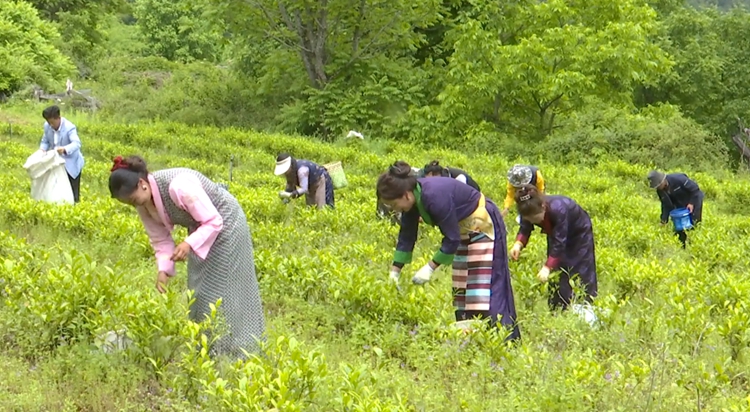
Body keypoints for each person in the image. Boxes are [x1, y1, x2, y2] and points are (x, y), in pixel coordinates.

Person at [108, 155, 266, 359]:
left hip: (226, 224)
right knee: (199, 291)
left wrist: (188, 244)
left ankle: (240, 349)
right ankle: (209, 349)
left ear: (142, 184)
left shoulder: (178, 186)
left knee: (225, 290)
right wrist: (164, 270)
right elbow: (160, 239)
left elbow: (213, 221)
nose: (134, 205)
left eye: (133, 200)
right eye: (129, 204)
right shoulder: (144, 204)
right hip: (200, 231)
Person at [377, 161, 520, 341]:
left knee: (485, 288)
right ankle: (471, 341)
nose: (395, 209)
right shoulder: (413, 200)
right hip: (462, 231)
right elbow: (407, 234)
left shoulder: (434, 196)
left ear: (405, 195)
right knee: (462, 289)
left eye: (394, 204)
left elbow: (451, 239)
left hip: (484, 225)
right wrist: (395, 272)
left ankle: (503, 340)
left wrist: (430, 267)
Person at [509, 185, 597, 311]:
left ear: (543, 207)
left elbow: (559, 243)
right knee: (557, 269)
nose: (533, 222)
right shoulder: (527, 208)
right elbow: (525, 227)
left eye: (535, 218)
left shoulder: (559, 209)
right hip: (556, 234)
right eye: (530, 219)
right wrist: (518, 244)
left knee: (580, 268)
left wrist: (547, 267)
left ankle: (583, 305)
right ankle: (558, 307)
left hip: (578, 234)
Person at [647, 170, 704, 248]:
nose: (658, 188)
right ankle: (683, 246)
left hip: (694, 199)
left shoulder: (678, 179)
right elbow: (665, 205)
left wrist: (691, 203)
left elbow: (695, 189)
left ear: (662, 181)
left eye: (658, 186)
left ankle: (695, 245)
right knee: (679, 226)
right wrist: (664, 220)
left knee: (694, 223)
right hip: (680, 204)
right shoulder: (660, 190)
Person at [38, 105, 84, 203]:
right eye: (48, 122)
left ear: (58, 118)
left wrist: (64, 149)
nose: (50, 125)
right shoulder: (47, 126)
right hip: (56, 163)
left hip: (71, 164)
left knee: (73, 192)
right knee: (58, 190)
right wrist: (42, 150)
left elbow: (76, 143)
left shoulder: (69, 127)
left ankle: (75, 207)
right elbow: (45, 141)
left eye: (52, 122)